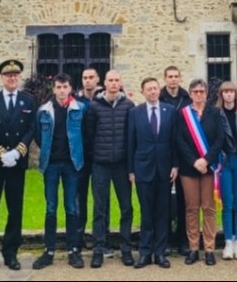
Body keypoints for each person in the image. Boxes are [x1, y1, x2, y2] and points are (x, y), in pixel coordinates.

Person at [0, 59, 37, 272]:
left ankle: (11, 252)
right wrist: (0, 153)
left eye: (15, 75)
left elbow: (31, 128)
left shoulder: (28, 101)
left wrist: (18, 151)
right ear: (2, 77)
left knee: (15, 209)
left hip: (16, 163)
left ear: (19, 77)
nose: (12, 78)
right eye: (8, 75)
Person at [32, 73, 86, 270]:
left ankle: (73, 250)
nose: (62, 91)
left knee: (71, 207)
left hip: (71, 165)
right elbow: (39, 136)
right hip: (51, 165)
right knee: (51, 208)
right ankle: (49, 251)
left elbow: (85, 134)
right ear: (53, 89)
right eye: (58, 87)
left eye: (65, 87)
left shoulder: (80, 109)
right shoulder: (43, 111)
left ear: (70, 88)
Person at [84, 70, 136, 268]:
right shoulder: (94, 106)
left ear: (120, 83)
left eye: (116, 80)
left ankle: (126, 248)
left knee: (126, 207)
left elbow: (131, 136)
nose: (113, 83)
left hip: (122, 165)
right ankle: (98, 248)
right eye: (110, 80)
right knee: (99, 208)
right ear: (104, 83)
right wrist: (97, 155)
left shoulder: (128, 106)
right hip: (101, 164)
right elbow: (89, 135)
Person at [127, 77, 178, 269]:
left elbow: (174, 140)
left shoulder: (170, 111)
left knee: (163, 212)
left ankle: (160, 252)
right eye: (149, 89)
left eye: (155, 88)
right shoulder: (135, 112)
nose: (153, 92)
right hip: (143, 169)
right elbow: (130, 142)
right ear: (143, 92)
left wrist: (175, 165)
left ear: (159, 90)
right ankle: (145, 253)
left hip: (165, 169)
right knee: (146, 212)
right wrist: (131, 170)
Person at [175, 79, 225, 266]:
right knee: (192, 209)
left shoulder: (215, 113)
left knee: (209, 209)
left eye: (201, 91)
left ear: (206, 93)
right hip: (189, 169)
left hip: (209, 169)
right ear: (190, 94)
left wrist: (206, 160)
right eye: (195, 91)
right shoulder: (183, 114)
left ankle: (209, 249)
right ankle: (194, 248)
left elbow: (219, 139)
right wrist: (194, 161)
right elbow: (179, 140)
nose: (198, 94)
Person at [214, 81, 237, 260]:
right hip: (224, 161)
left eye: (231, 92)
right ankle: (228, 241)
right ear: (221, 95)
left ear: (236, 94)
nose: (228, 95)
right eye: (225, 92)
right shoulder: (216, 115)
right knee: (227, 203)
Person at [160, 66, 191, 256]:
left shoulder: (187, 100)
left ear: (180, 78)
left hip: (184, 156)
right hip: (164, 156)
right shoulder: (158, 98)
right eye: (170, 76)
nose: (173, 79)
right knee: (163, 201)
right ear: (165, 78)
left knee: (183, 200)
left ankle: (183, 239)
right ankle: (164, 240)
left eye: (176, 76)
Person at [75, 67, 102, 253]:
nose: (88, 80)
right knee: (79, 198)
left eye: (91, 77)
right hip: (81, 157)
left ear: (97, 79)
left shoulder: (104, 101)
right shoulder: (76, 102)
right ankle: (78, 238)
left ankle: (102, 238)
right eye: (85, 77)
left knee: (101, 199)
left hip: (100, 156)